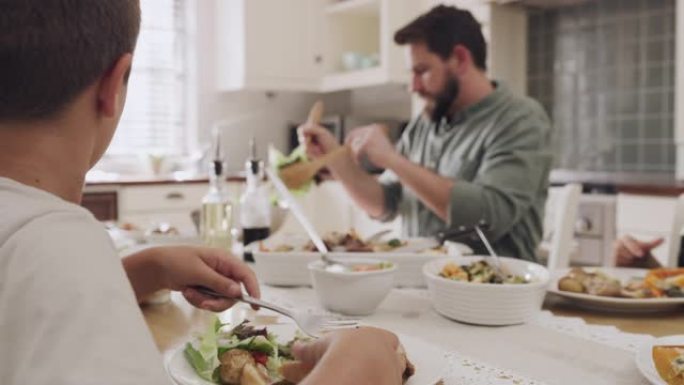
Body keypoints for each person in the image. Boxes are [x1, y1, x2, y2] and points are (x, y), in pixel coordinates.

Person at [0, 1, 403, 384]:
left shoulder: (45, 249)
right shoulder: (61, 249)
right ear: (113, 85)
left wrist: (146, 270)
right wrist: (360, 368)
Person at [300, 5, 552, 261]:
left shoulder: (519, 119)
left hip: (494, 290)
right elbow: (384, 203)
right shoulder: (426, 123)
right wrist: (335, 159)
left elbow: (487, 216)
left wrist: (392, 160)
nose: (413, 86)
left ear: (460, 59)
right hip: (419, 285)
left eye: (422, 71)